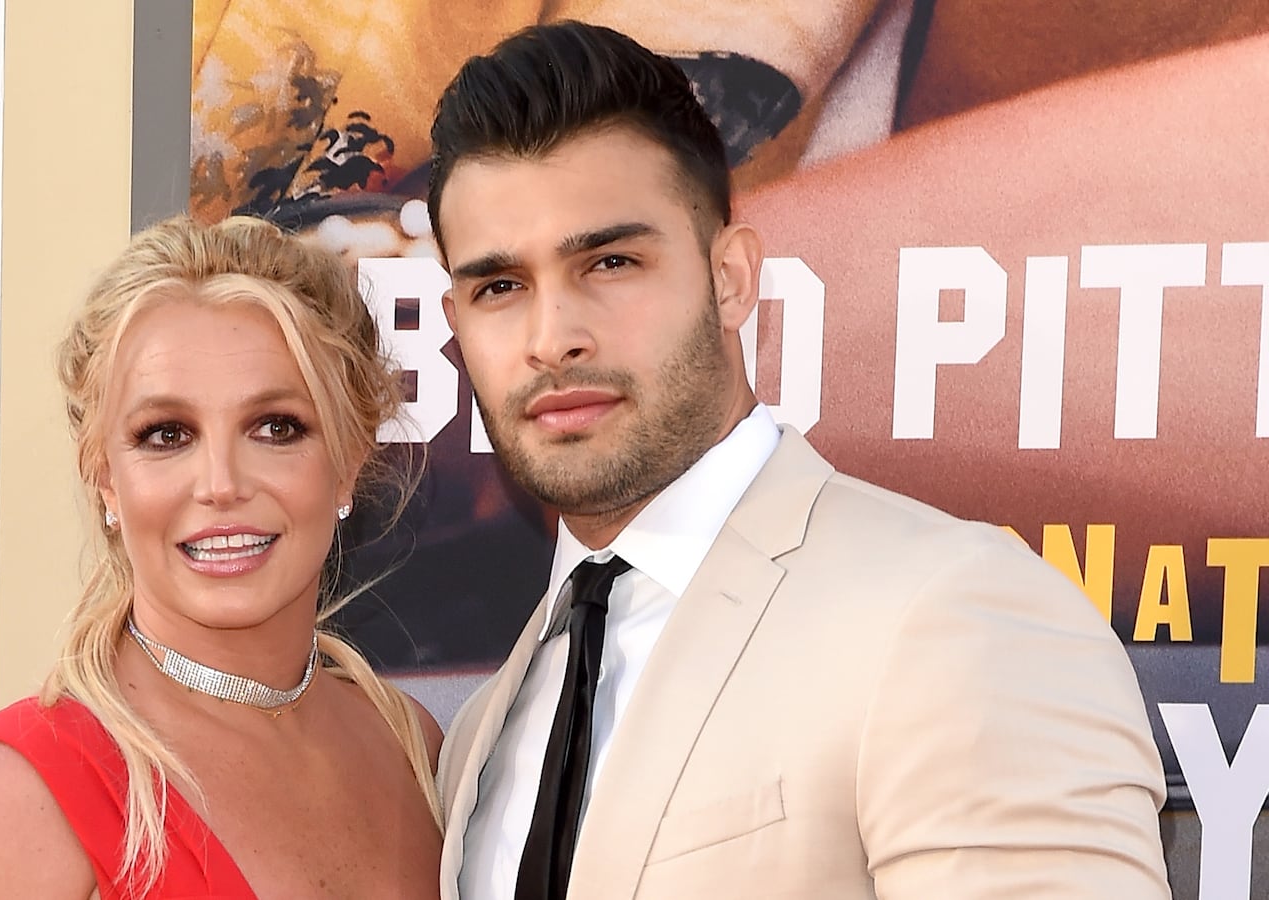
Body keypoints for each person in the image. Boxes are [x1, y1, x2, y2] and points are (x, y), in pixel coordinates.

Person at [428, 21, 1169, 899]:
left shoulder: (953, 614)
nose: (553, 339)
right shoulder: (484, 729)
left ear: (734, 278)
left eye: (612, 261)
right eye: (500, 287)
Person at [0, 216, 444, 899]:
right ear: (104, 476)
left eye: (276, 428)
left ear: (349, 459)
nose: (220, 483)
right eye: (166, 434)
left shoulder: (412, 747)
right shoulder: (10, 806)